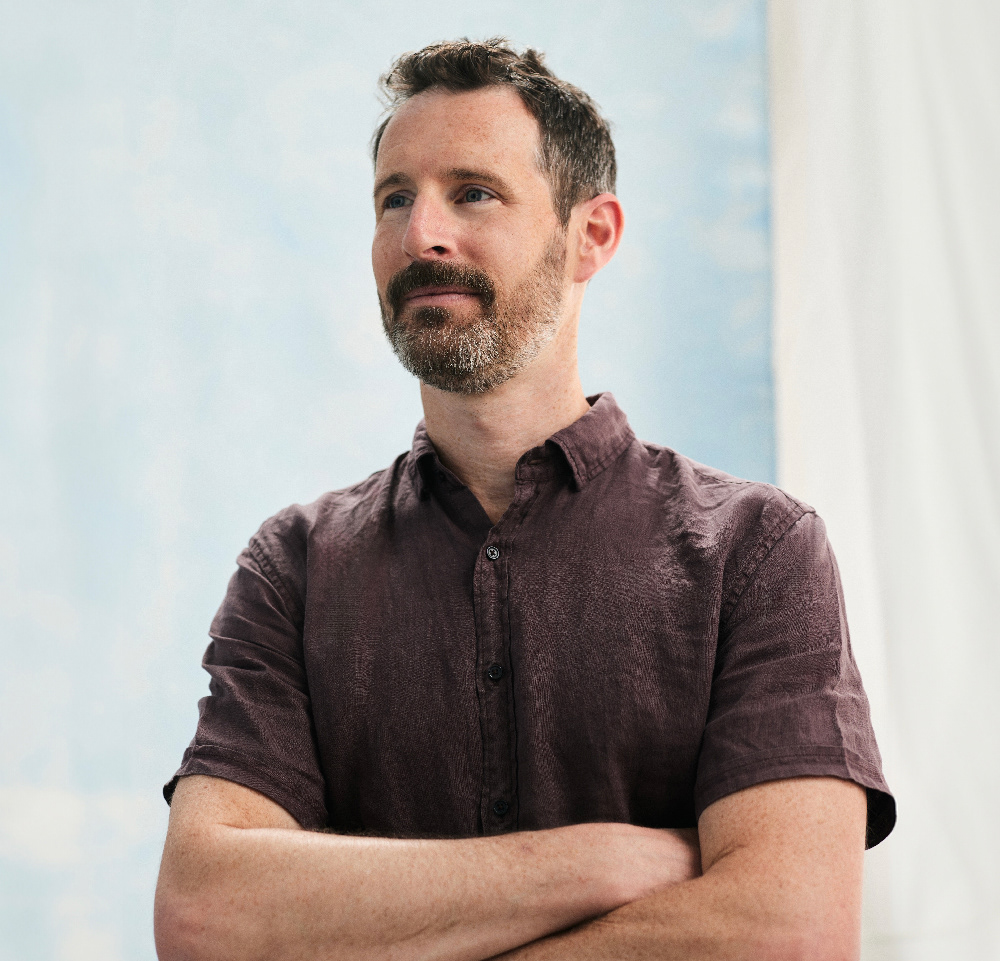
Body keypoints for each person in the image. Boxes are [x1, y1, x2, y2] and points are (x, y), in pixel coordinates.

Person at [154, 38, 894, 961]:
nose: (421, 234)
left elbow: (792, 931)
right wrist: (604, 861)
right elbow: (207, 916)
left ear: (593, 236)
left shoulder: (759, 550)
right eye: (394, 198)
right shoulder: (294, 569)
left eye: (473, 192)